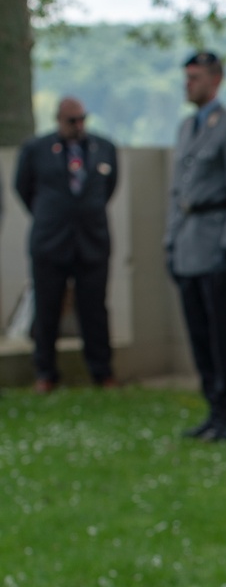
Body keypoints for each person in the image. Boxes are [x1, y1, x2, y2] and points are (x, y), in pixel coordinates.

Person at [165, 51, 226, 441]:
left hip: (218, 244)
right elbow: (177, 193)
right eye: (187, 77)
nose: (189, 83)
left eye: (197, 77)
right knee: (201, 336)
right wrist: (170, 242)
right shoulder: (188, 127)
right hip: (189, 245)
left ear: (216, 80)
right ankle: (212, 407)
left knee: (224, 336)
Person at [14, 97, 118, 392]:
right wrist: (50, 214)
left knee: (94, 310)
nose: (79, 126)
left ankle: (102, 371)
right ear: (58, 120)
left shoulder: (103, 148)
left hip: (91, 241)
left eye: (83, 119)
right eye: (72, 121)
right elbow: (23, 187)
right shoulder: (37, 149)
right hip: (51, 242)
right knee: (47, 308)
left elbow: (109, 187)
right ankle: (45, 372)